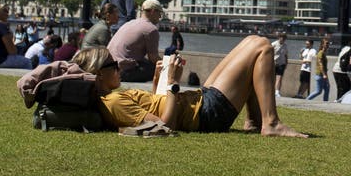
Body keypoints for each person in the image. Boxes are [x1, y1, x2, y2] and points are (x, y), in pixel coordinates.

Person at [71, 35, 307, 137]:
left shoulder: (113, 98)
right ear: (99, 74)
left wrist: (158, 81)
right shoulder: (112, 101)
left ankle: (255, 121)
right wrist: (173, 82)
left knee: (250, 43)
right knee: (262, 47)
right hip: (206, 113)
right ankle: (271, 123)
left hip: (200, 101)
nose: (118, 67)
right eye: (113, 65)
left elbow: (156, 110)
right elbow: (164, 125)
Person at [107, 0, 162, 82]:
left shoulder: (130, 23)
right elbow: (153, 58)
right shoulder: (151, 29)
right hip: (122, 72)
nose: (160, 16)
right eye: (159, 13)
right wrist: (168, 64)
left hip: (108, 68)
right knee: (157, 68)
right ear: (153, 11)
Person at [332, 35, 351, 100]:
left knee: (340, 89)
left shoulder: (345, 48)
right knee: (344, 90)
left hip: (336, 69)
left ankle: (338, 101)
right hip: (342, 71)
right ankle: (339, 102)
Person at [272, 33, 289, 97]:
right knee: (272, 79)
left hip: (282, 64)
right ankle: (272, 91)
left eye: (284, 38)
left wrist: (286, 63)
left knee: (279, 78)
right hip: (274, 64)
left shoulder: (285, 46)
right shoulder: (273, 44)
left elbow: (286, 55)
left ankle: (277, 92)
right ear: (279, 37)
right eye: (282, 38)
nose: (283, 39)